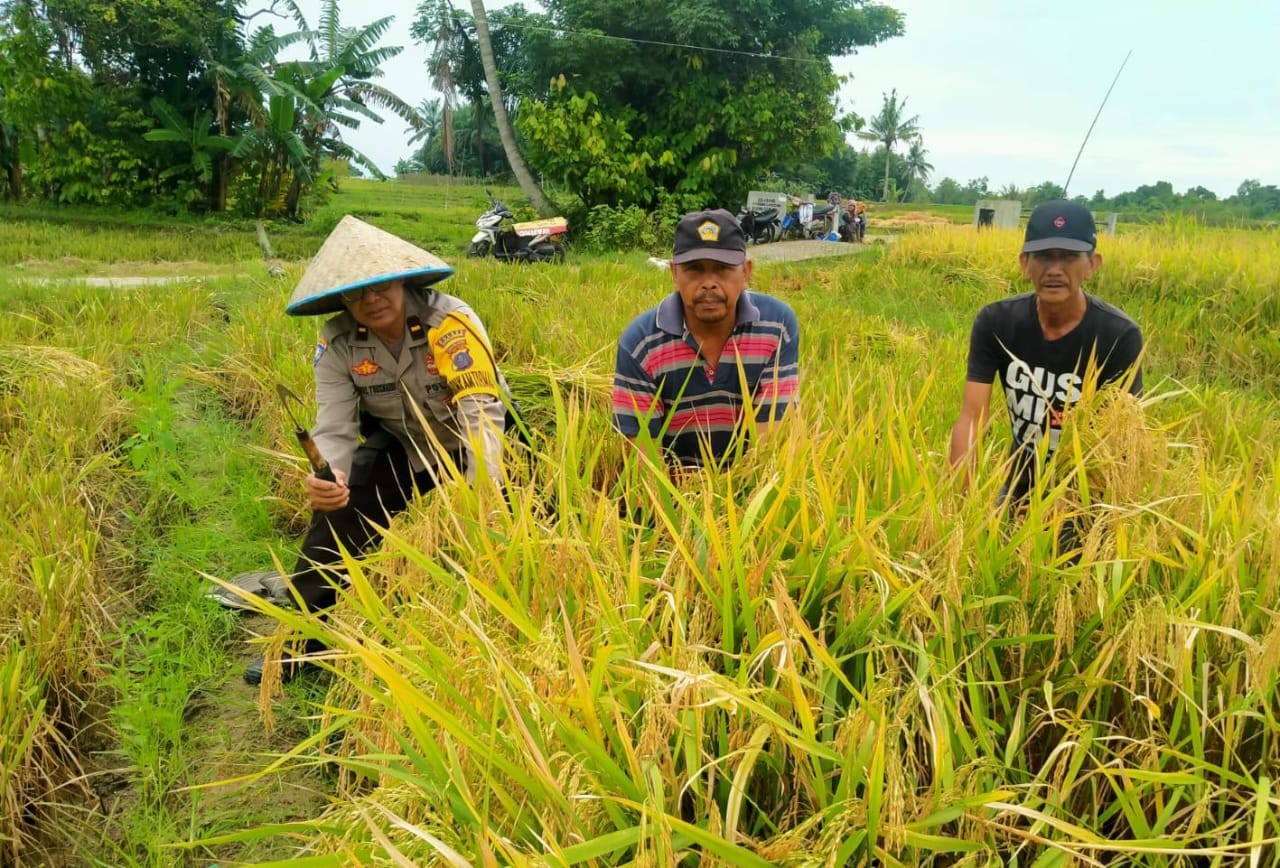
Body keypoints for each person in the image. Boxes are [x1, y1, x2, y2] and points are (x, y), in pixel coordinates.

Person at [243, 215, 512, 684]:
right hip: (408, 446)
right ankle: (300, 647)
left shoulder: (449, 323)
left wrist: (483, 496)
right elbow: (335, 425)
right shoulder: (338, 342)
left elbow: (480, 415)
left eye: (381, 286)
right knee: (339, 513)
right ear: (342, 299)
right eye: (356, 293)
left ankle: (503, 637)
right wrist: (332, 476)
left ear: (402, 279)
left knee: (515, 527)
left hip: (479, 446)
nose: (371, 300)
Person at [949, 200, 1143, 505]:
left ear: (1092, 265)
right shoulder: (996, 322)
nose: (1054, 270)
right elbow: (973, 418)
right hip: (1020, 484)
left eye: (1068, 257)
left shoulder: (1118, 335)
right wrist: (959, 507)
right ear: (1025, 263)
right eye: (1043, 257)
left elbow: (1121, 442)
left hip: (1087, 493)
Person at [612, 209, 799, 472]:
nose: (709, 283)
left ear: (745, 272)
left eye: (722, 269)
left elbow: (769, 451)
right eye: (694, 270)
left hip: (748, 484)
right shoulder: (641, 343)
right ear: (674, 274)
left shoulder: (776, 326)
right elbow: (645, 464)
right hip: (674, 490)